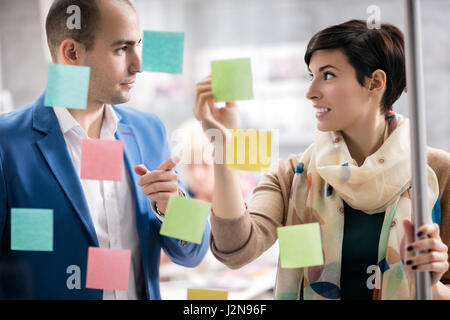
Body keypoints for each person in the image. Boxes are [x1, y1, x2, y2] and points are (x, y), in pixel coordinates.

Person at [193, 19, 450, 300]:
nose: (310, 92)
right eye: (311, 75)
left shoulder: (438, 173)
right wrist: (223, 147)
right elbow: (235, 250)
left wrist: (431, 285)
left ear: (375, 83)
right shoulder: (292, 175)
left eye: (327, 76)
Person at [0, 0, 209, 299]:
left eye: (138, 45)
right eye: (122, 49)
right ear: (71, 53)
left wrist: (173, 206)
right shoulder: (7, 144)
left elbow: (193, 253)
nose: (138, 63)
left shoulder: (148, 131)